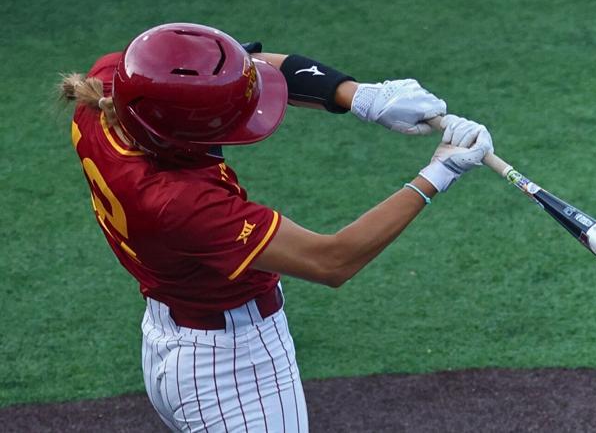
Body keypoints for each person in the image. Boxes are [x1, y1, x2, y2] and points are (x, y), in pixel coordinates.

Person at [60, 22, 493, 432]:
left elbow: (237, 69)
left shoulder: (111, 90)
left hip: (172, 337)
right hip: (230, 370)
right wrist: (438, 172)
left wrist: (358, 96)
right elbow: (332, 261)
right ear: (179, 138)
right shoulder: (179, 204)